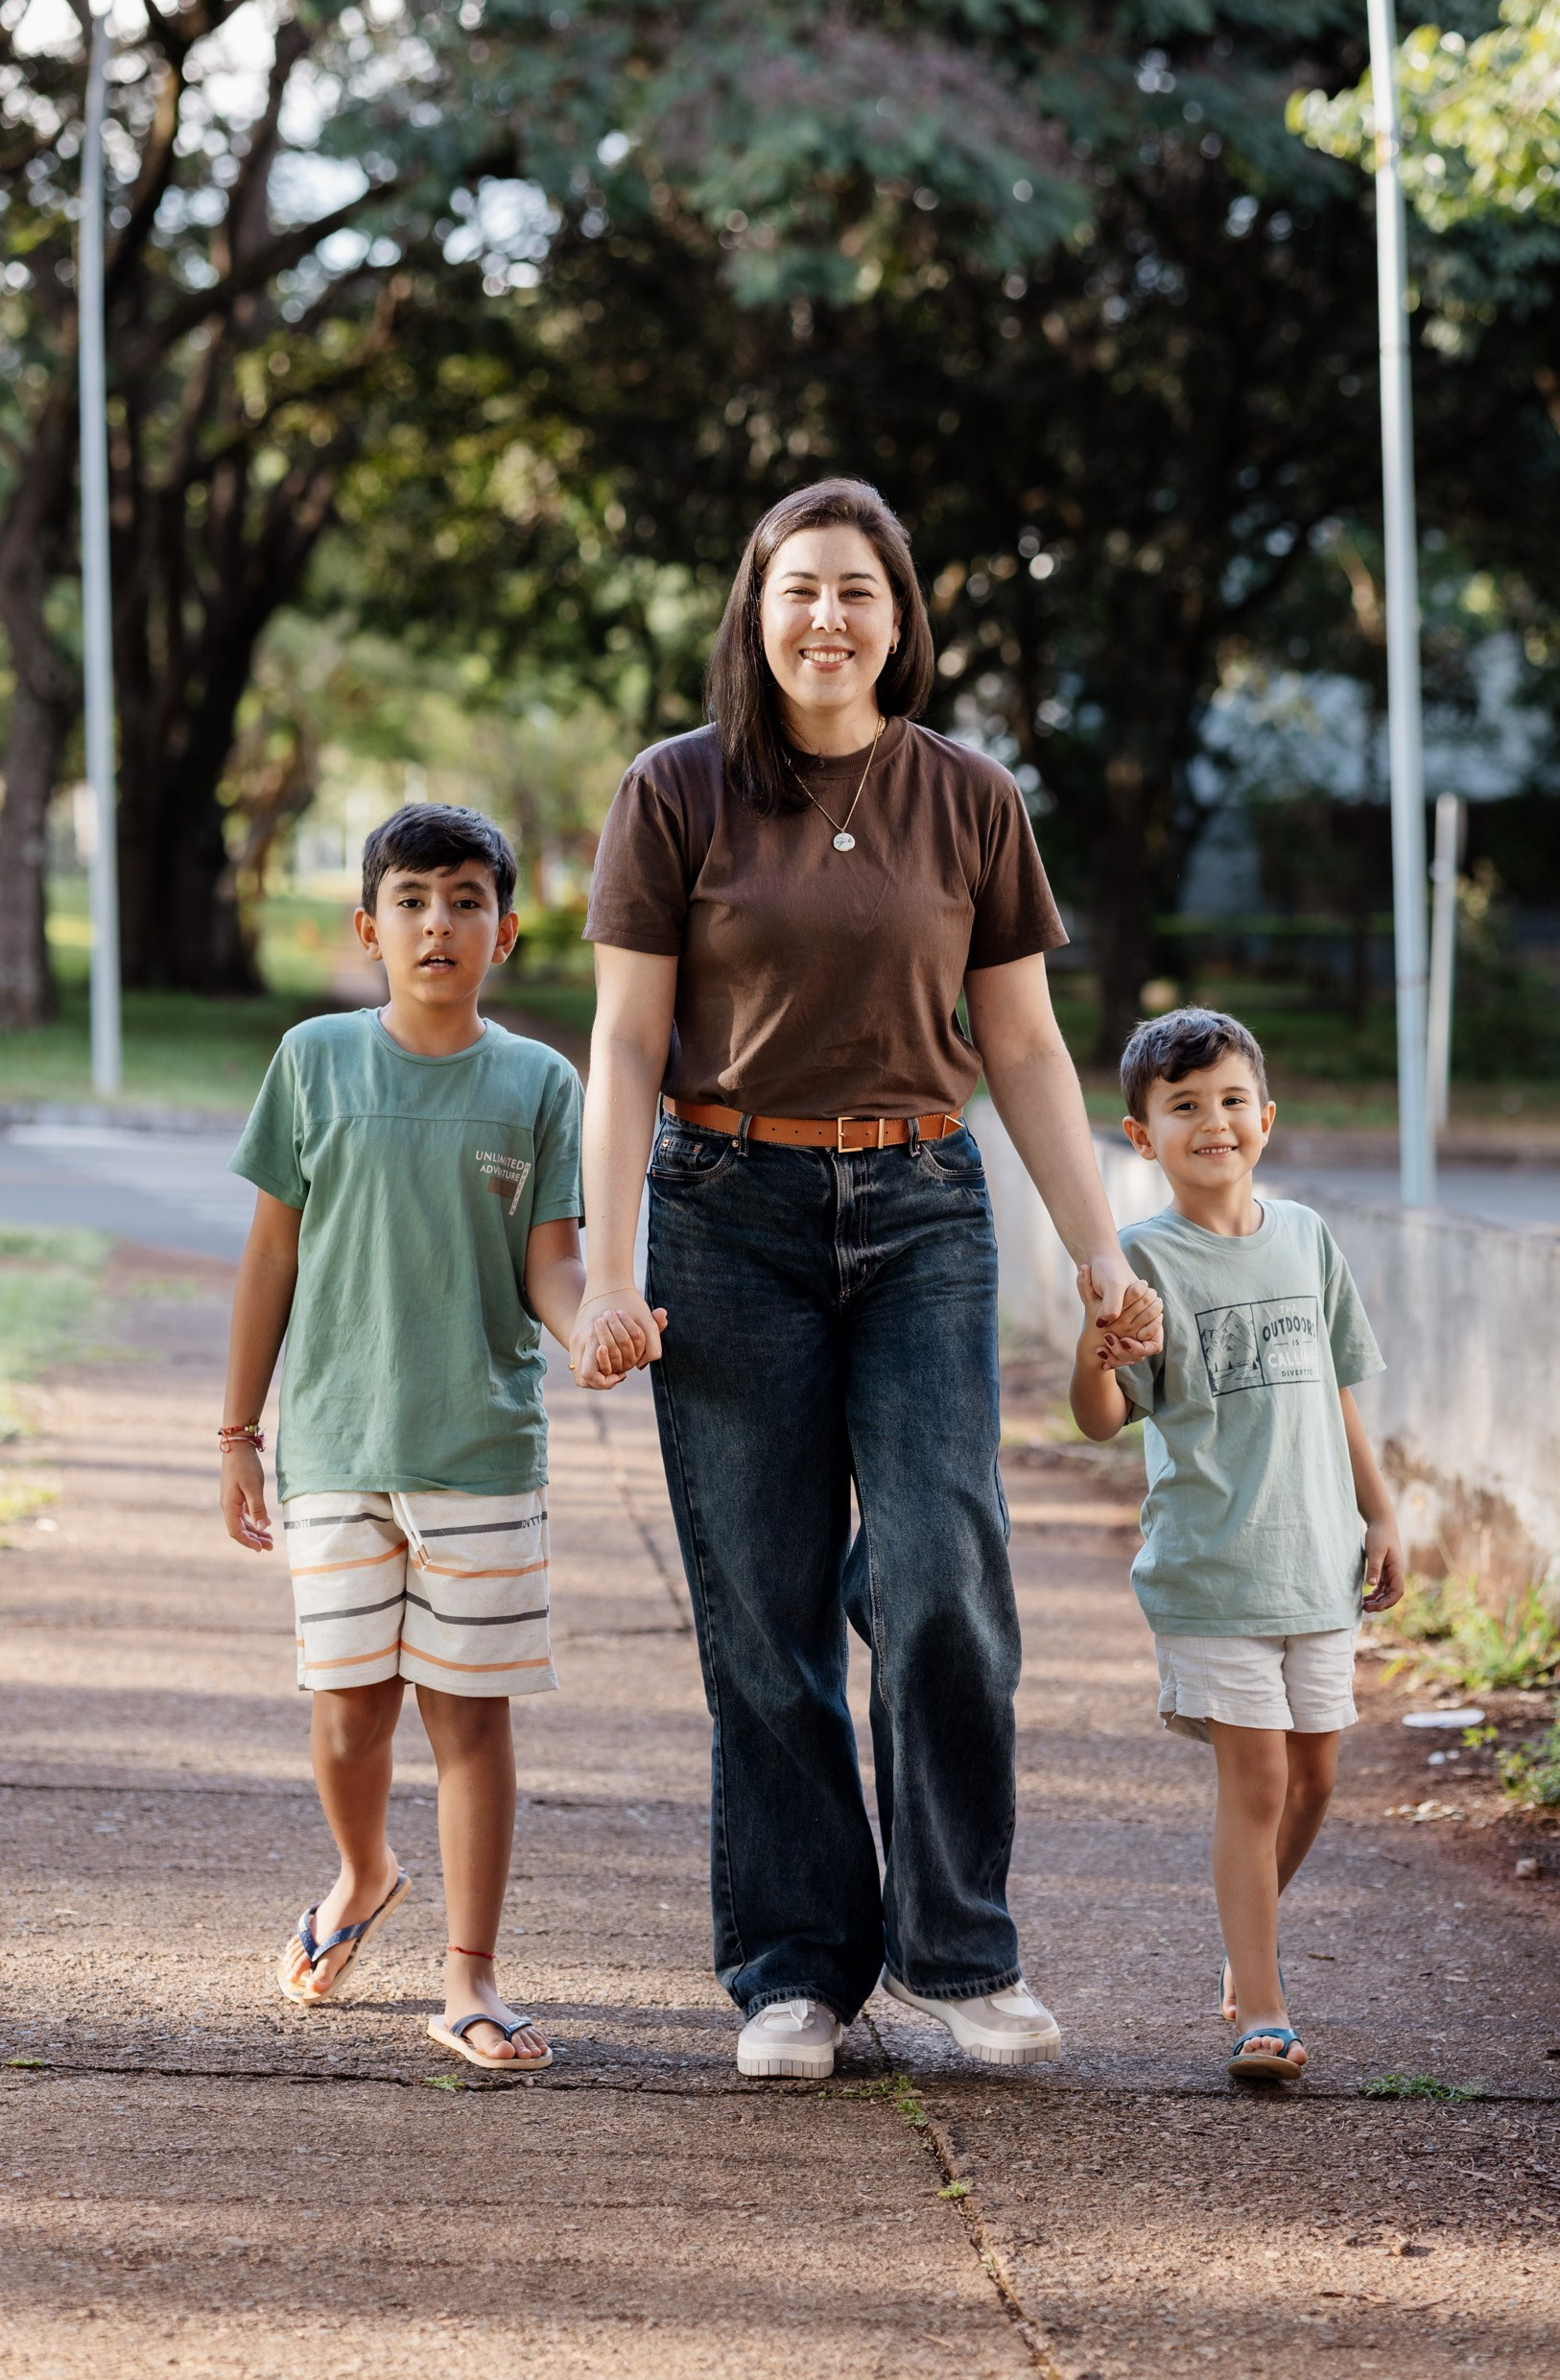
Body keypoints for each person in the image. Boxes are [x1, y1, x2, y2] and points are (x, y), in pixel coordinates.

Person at [568, 476, 1164, 2080]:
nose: (824, 618)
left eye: (855, 592)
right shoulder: (674, 789)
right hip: (722, 1212)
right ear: (752, 615)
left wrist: (1101, 1254)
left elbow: (1024, 1047)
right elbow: (624, 1042)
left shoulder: (966, 797)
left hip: (920, 1212)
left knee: (938, 1577)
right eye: (796, 590)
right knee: (761, 1611)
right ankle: (793, 1970)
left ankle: (957, 1955)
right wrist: (605, 1263)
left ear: (899, 622)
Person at [219, 803, 640, 2070]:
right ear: (367, 927)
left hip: (482, 1456)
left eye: (465, 900)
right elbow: (270, 1255)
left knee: (470, 1718)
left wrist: (593, 1334)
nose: (437, 923)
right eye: (411, 900)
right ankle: (360, 1875)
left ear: (504, 932)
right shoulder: (313, 1062)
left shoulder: (538, 1084)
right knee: (349, 1711)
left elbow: (550, 1269)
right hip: (337, 1446)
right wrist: (237, 1430)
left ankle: (470, 1975)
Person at [1069, 1005, 1405, 2084]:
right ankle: (1263, 2006)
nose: (1211, 1122)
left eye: (1229, 1101)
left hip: (1317, 1559)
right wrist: (1092, 1346)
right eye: (1183, 1106)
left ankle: (1240, 1935)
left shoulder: (1307, 1235)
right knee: (1255, 1780)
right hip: (1213, 1564)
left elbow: (1340, 1390)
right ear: (1141, 1133)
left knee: (1314, 1779)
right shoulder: (1136, 1260)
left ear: (1265, 1116)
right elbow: (1102, 1416)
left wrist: (1384, 1510)